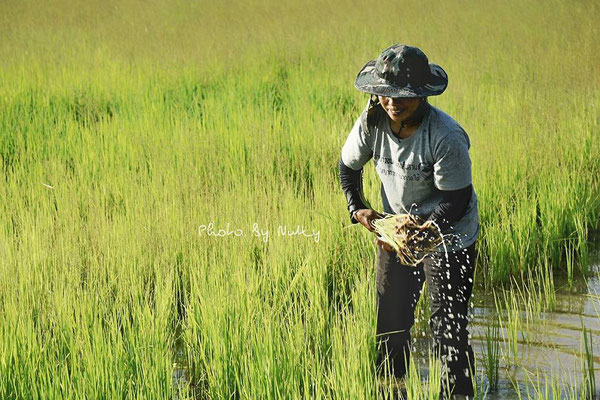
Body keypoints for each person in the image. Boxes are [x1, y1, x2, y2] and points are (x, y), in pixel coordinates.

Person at [339, 44, 479, 399]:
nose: (392, 103)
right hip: (397, 231)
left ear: (422, 93)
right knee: (390, 323)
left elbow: (456, 200)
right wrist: (359, 208)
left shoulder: (445, 136)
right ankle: (391, 390)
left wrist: (419, 230)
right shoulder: (372, 122)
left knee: (448, 326)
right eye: (386, 95)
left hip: (450, 236)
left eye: (403, 95)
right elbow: (348, 168)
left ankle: (458, 393)